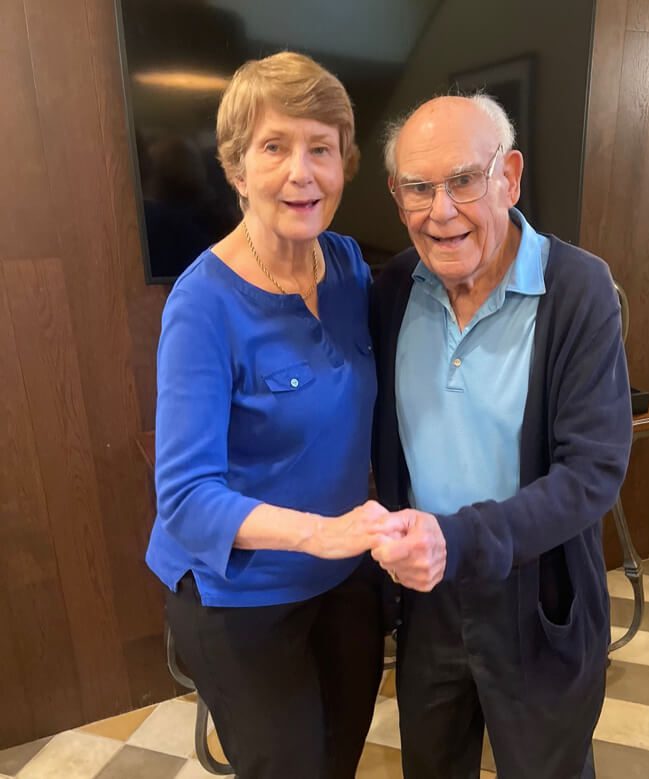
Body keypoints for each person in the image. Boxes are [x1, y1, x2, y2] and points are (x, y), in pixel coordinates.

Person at [146, 52, 403, 779]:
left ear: (345, 163)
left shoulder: (351, 266)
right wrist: (328, 533)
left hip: (345, 580)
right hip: (242, 597)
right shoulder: (201, 305)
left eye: (321, 147)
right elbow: (189, 500)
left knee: (341, 758)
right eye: (275, 146)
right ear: (235, 168)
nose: (303, 172)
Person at [369, 95, 633, 779]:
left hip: (538, 598)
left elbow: (592, 473)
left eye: (463, 180)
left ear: (509, 177)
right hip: (428, 603)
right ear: (398, 198)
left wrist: (458, 540)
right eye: (418, 189)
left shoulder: (578, 289)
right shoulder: (393, 287)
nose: (441, 210)